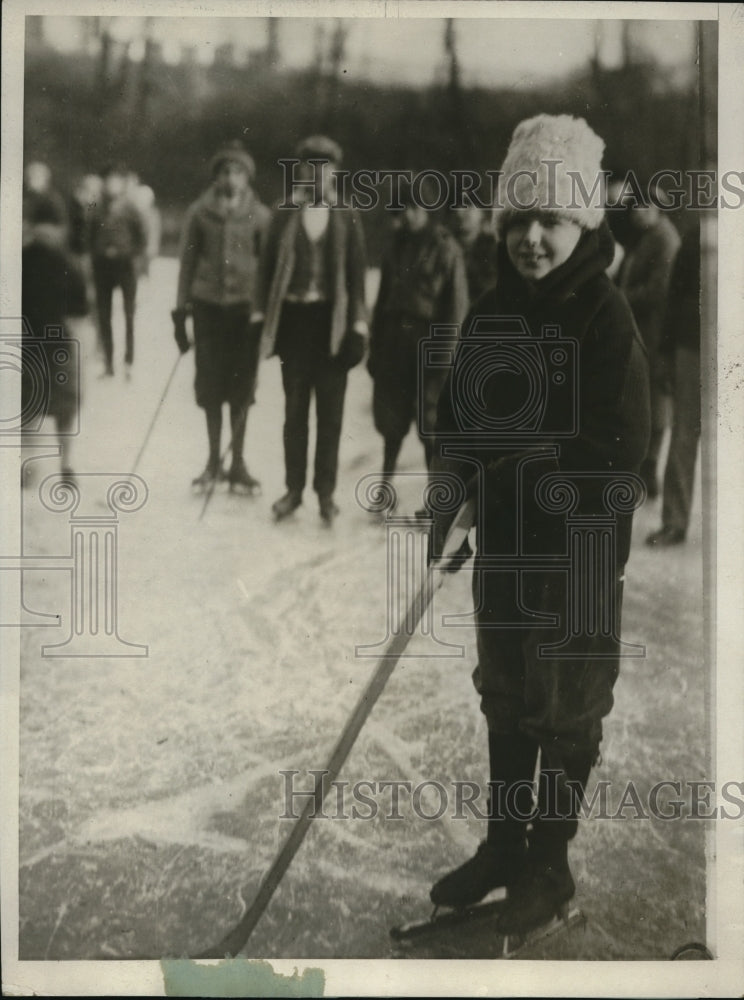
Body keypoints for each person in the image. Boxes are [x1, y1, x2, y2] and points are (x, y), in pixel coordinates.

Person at [428, 115, 650, 937]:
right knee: (508, 696)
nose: (530, 237)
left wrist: (524, 470)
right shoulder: (491, 313)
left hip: (578, 557)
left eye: (550, 219)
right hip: (508, 553)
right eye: (517, 218)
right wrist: (448, 499)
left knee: (564, 708)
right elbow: (456, 422)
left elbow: (617, 451)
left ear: (584, 221)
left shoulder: (605, 317)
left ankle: (548, 863)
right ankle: (502, 846)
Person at [251, 135, 368, 525]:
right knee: (295, 412)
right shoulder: (283, 212)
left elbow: (356, 278)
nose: (316, 174)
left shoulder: (347, 214)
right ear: (300, 171)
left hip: (330, 326)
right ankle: (293, 491)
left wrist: (358, 326)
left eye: (324, 167)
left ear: (334, 173)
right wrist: (258, 317)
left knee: (331, 417)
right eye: (309, 166)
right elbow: (266, 271)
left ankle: (325, 495)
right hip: (295, 326)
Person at [173, 140, 270, 494]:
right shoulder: (199, 213)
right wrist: (179, 313)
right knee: (211, 385)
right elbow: (186, 264)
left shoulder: (260, 216)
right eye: (225, 172)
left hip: (244, 312)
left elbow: (269, 269)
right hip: (208, 309)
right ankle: (214, 460)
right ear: (216, 177)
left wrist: (266, 315)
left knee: (242, 387)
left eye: (238, 172)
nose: (231, 179)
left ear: (247, 178)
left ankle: (238, 462)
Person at [368, 182, 468, 496]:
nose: (409, 215)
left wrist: (445, 356)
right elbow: (383, 300)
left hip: (430, 344)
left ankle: (435, 497)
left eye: (415, 208)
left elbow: (455, 308)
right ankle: (384, 490)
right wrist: (376, 348)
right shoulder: (395, 246)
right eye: (404, 209)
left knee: (432, 425)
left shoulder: (445, 247)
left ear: (426, 210)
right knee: (391, 422)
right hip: (395, 343)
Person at [617, 186, 681, 498]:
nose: (635, 213)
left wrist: (620, 300)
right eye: (634, 208)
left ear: (657, 208)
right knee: (645, 398)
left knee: (654, 401)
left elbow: (659, 290)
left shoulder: (664, 238)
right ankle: (645, 469)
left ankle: (649, 470)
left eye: (642, 207)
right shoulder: (649, 236)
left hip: (656, 332)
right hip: (644, 329)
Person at [22, 194, 89, 485]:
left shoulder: (19, 258)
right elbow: (81, 310)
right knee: (66, 407)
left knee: (28, 405)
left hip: (26, 344)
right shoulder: (69, 262)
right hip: (60, 344)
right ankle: (67, 463)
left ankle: (27, 464)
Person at [645, 219, 701, 547]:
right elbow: (674, 293)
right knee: (684, 433)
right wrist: (666, 351)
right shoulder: (696, 236)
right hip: (693, 344)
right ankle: (674, 522)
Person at [89, 163, 148, 379]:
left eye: (116, 180)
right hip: (102, 267)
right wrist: (96, 255)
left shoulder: (130, 206)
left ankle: (128, 362)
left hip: (125, 266)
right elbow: (89, 235)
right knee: (104, 316)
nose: (111, 184)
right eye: (108, 180)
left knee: (129, 314)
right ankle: (108, 364)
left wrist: (133, 257)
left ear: (122, 183)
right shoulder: (95, 205)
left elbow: (142, 236)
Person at [450, 196, 499, 305]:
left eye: (467, 205)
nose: (459, 211)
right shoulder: (445, 248)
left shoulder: (494, 250)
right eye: (455, 206)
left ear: (482, 212)